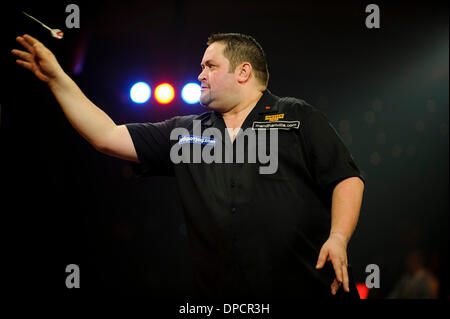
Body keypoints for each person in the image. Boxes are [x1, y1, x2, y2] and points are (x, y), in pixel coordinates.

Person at [12, 32, 365, 299]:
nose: (200, 74)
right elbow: (106, 135)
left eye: (210, 66)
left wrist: (338, 237)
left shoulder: (296, 116)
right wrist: (59, 80)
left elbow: (346, 178)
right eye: (200, 67)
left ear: (244, 72)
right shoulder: (186, 132)